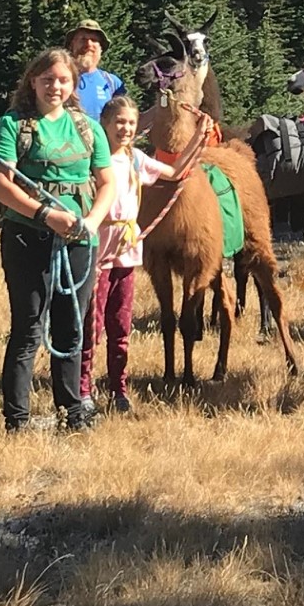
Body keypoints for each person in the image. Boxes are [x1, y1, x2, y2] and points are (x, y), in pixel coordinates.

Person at [0, 47, 117, 433]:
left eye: (63, 80)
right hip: (27, 237)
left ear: (73, 84)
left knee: (72, 326)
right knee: (28, 328)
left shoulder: (88, 128)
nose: (55, 87)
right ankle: (17, 419)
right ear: (33, 82)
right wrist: (46, 216)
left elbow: (107, 182)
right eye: (47, 80)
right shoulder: (12, 125)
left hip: (79, 241)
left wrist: (91, 221)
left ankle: (72, 412)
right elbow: (0, 184)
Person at [79, 94, 177, 415]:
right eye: (119, 122)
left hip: (127, 249)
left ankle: (118, 389)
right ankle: (83, 388)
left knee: (121, 324)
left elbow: (175, 172)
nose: (126, 128)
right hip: (100, 245)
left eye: (131, 123)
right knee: (93, 324)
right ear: (105, 124)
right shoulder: (93, 159)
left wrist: (199, 140)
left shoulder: (136, 159)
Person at [65, 19, 125, 133]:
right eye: (83, 39)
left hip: (102, 144)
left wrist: (159, 106)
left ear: (101, 49)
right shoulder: (59, 80)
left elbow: (128, 120)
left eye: (94, 40)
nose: (88, 44)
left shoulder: (112, 83)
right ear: (72, 45)